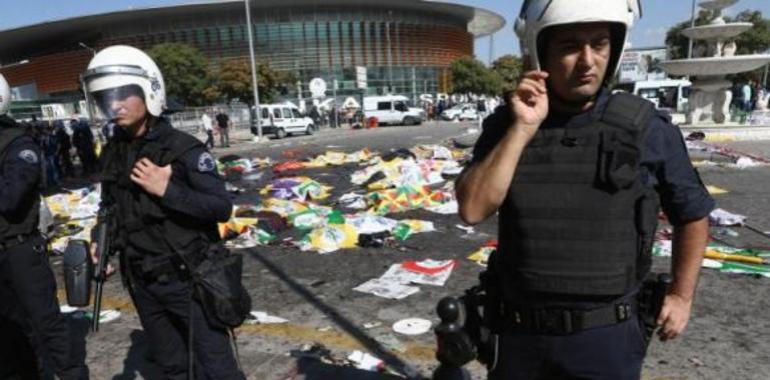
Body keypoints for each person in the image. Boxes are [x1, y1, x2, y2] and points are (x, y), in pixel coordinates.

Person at [455, 1, 714, 379]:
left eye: (600, 44)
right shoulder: (507, 124)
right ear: (541, 50)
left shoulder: (647, 128)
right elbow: (472, 209)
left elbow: (691, 213)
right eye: (570, 46)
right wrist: (523, 129)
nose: (588, 60)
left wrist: (681, 296)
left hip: (606, 338)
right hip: (518, 335)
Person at [83, 45, 245, 380]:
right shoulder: (113, 151)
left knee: (217, 369)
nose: (114, 104)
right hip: (142, 281)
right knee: (172, 367)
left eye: (124, 94)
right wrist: (103, 241)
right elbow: (109, 204)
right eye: (106, 97)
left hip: (188, 280)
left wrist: (168, 191)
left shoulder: (183, 149)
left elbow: (220, 208)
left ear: (150, 91)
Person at [0, 74, 89, 379]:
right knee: (9, 331)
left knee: (46, 323)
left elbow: (10, 198)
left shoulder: (17, 144)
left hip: (20, 249)